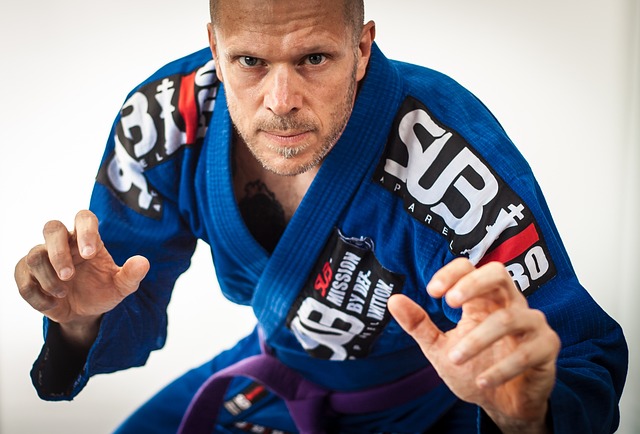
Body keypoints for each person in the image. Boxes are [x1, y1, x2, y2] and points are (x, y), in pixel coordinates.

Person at [14, 0, 627, 432]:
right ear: (216, 49)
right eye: (250, 61)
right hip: (277, 378)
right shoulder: (167, 121)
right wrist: (82, 321)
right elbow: (124, 299)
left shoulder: (446, 160)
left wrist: (527, 415)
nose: (281, 102)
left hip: (444, 405)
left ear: (361, 49)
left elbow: (578, 355)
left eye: (313, 58)